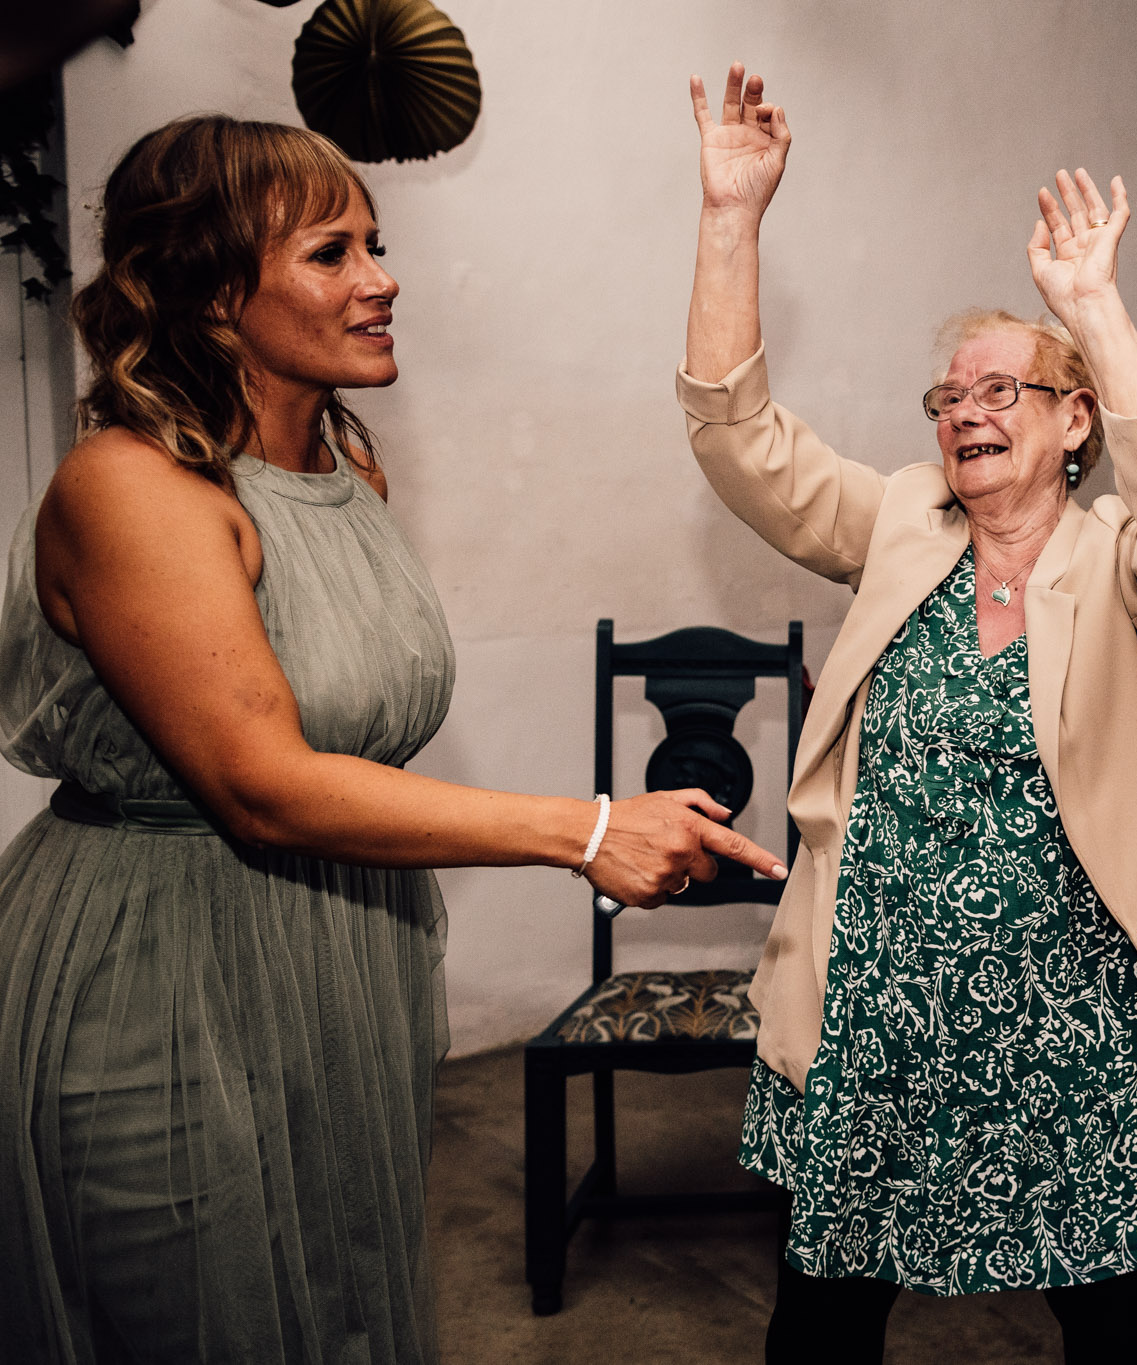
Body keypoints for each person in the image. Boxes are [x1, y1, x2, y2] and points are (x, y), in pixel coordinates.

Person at [0, 116, 783, 1363]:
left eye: (377, 244)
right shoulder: (131, 488)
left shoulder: (344, 473)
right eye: (332, 253)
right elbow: (260, 785)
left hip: (337, 945)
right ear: (212, 291)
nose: (382, 279)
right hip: (164, 969)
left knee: (334, 1292)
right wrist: (585, 829)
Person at [679, 64, 1137, 1364]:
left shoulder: (1121, 560)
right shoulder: (897, 520)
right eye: (949, 397)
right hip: (878, 1008)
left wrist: (1092, 307)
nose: (965, 411)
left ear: (1075, 420)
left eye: (1002, 389)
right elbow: (738, 440)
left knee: (1118, 1326)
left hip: (1072, 1020)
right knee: (822, 1326)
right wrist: (729, 219)